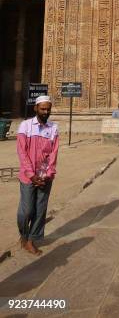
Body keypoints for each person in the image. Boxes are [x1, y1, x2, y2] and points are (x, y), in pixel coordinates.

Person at [16, 95, 59, 256]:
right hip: (28, 176)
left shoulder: (53, 128)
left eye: (48, 109)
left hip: (45, 177)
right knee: (26, 211)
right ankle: (23, 234)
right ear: (36, 108)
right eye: (43, 109)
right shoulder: (25, 126)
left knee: (40, 211)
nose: (46, 112)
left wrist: (48, 173)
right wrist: (31, 174)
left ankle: (30, 240)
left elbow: (54, 153)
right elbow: (22, 152)